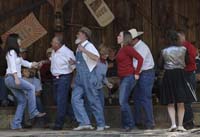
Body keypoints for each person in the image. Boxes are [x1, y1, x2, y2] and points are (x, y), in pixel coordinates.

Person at [4, 33, 46, 130]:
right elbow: (13, 65)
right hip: (12, 77)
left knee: (22, 101)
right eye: (19, 40)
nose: (20, 42)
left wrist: (34, 64)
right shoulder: (11, 52)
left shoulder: (16, 54)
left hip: (11, 78)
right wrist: (16, 78)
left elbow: (24, 63)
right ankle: (33, 112)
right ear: (14, 41)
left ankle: (16, 124)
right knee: (32, 88)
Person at [158, 30, 196, 132]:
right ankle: (180, 125)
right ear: (178, 39)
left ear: (168, 40)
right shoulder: (184, 49)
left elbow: (160, 65)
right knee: (181, 101)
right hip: (180, 75)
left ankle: (173, 124)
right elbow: (188, 61)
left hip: (169, 76)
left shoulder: (164, 51)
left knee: (170, 102)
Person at [71, 27, 105, 131]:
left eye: (78, 34)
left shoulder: (89, 46)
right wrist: (74, 63)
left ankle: (101, 124)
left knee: (93, 100)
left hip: (89, 76)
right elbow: (82, 62)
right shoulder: (79, 47)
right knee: (75, 99)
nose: (77, 35)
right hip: (79, 77)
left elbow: (96, 58)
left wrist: (84, 50)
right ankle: (84, 122)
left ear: (84, 35)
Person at [116, 31, 143, 131]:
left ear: (125, 38)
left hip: (129, 77)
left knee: (122, 101)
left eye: (119, 35)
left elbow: (140, 59)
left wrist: (136, 73)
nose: (117, 37)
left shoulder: (127, 48)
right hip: (123, 78)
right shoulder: (122, 49)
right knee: (123, 102)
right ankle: (126, 125)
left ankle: (131, 125)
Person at [128, 28, 155, 129]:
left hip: (146, 73)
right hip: (141, 73)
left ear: (134, 39)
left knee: (144, 98)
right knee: (137, 97)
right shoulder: (136, 46)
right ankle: (139, 121)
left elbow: (139, 63)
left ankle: (149, 122)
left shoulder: (142, 47)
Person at [50, 35, 76, 130]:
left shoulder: (68, 52)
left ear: (58, 44)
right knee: (59, 100)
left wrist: (72, 81)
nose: (51, 43)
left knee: (61, 101)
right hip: (55, 79)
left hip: (64, 78)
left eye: (53, 42)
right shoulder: (53, 51)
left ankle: (58, 124)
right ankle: (75, 117)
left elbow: (74, 68)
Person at [177, 30, 197, 129]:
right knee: (185, 100)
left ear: (181, 37)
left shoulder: (185, 47)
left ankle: (188, 122)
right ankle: (186, 122)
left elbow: (191, 61)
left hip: (187, 74)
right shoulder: (189, 47)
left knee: (186, 100)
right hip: (186, 74)